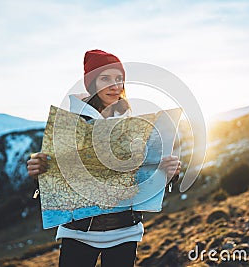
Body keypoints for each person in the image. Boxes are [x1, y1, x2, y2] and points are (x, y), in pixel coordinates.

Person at [27, 49, 181, 267]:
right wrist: (38, 172)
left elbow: (145, 176)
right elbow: (57, 180)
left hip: (126, 232)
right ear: (91, 84)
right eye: (105, 78)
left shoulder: (136, 125)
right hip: (78, 233)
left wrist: (168, 173)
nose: (114, 85)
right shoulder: (69, 124)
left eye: (119, 79)